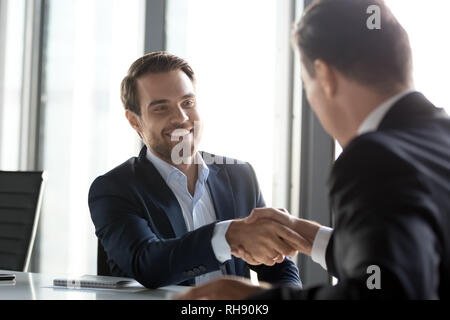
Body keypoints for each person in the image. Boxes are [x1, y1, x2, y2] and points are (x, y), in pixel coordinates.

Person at [177, 0, 450, 299]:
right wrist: (308, 237)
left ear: (325, 77)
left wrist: (251, 300)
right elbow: (410, 259)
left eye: (307, 85)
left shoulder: (374, 157)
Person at [88, 52, 304, 289]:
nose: (181, 118)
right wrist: (228, 235)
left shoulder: (240, 176)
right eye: (161, 108)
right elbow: (148, 264)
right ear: (134, 121)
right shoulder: (114, 189)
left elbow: (278, 267)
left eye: (188, 103)